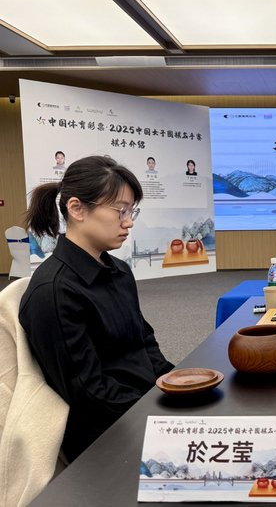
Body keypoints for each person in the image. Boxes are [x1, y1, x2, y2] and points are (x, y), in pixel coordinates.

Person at [18, 155, 174, 462]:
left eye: (131, 211)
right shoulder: (54, 291)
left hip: (146, 406)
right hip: (106, 436)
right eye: (120, 211)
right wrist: (159, 418)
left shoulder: (119, 270)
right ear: (77, 209)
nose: (128, 222)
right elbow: (88, 392)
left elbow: (144, 342)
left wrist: (175, 384)